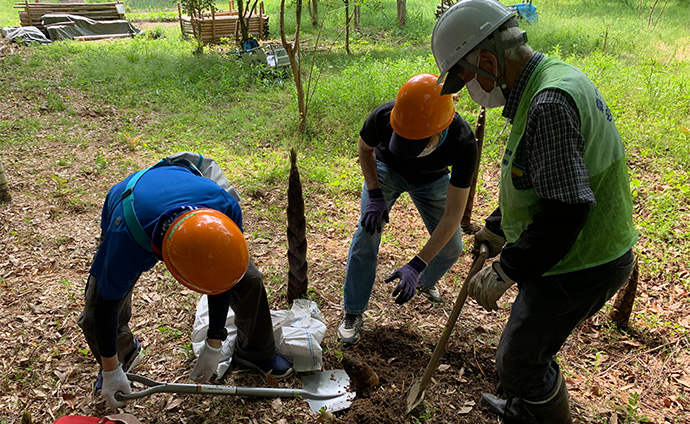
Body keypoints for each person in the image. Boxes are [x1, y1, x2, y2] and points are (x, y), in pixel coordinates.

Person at [431, 0, 637, 422]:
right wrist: (497, 227)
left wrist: (509, 267)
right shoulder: (553, 78)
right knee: (527, 345)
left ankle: (538, 412)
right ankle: (528, 404)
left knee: (519, 361)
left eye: (468, 77)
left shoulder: (548, 104)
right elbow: (537, 179)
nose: (470, 88)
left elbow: (565, 212)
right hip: (564, 249)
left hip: (582, 259)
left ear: (488, 59)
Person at [77, 152, 293, 409]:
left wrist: (214, 343)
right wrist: (111, 368)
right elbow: (106, 305)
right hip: (130, 207)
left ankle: (257, 352)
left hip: (193, 200)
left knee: (248, 279)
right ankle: (122, 357)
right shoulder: (126, 240)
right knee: (94, 313)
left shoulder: (226, 206)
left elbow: (221, 279)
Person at [337, 73, 478, 345]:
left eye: (418, 143)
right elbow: (365, 149)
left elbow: (453, 216)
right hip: (387, 170)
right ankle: (353, 312)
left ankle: (424, 280)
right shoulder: (383, 116)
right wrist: (375, 194)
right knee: (367, 233)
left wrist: (417, 263)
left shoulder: (463, 143)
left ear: (440, 131)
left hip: (432, 178)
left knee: (452, 247)